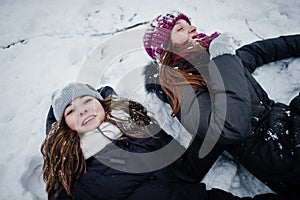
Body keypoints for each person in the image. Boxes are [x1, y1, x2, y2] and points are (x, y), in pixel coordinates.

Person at [41, 82, 297, 200]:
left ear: (100, 102)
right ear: (64, 125)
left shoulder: (130, 123)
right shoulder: (68, 162)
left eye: (87, 101)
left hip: (179, 176)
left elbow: (170, 154)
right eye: (71, 111)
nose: (83, 110)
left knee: (220, 125)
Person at [142, 10, 300, 194]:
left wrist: (223, 56)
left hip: (289, 120)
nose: (193, 28)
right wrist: (222, 58)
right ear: (167, 47)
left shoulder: (219, 57)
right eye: (180, 29)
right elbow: (229, 127)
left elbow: (261, 50)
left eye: (189, 24)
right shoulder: (183, 90)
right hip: (279, 153)